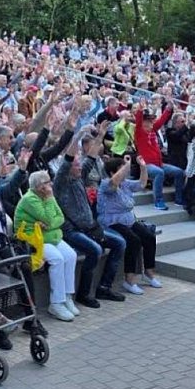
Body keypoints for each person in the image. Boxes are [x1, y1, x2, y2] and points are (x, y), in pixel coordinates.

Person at [54, 130, 127, 308]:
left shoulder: (79, 177)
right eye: (77, 165)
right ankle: (83, 294)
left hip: (90, 226)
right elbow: (68, 161)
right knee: (95, 250)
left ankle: (104, 287)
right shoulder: (61, 182)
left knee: (120, 243)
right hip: (71, 231)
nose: (80, 167)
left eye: (80, 165)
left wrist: (100, 136)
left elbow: (91, 157)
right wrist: (77, 137)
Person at [15, 170, 79, 321]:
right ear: (39, 187)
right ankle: (56, 303)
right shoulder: (31, 199)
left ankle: (67, 296)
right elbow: (50, 218)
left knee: (71, 255)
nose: (50, 185)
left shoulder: (47, 196)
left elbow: (60, 217)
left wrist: (49, 225)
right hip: (34, 239)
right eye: (47, 182)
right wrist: (50, 201)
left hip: (50, 235)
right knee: (57, 259)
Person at [98, 155, 161, 295]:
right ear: (112, 172)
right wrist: (127, 165)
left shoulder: (125, 183)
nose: (126, 171)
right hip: (111, 222)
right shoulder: (106, 184)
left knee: (149, 236)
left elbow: (142, 184)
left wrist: (143, 166)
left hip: (128, 220)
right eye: (122, 169)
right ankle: (129, 280)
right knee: (134, 241)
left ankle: (149, 273)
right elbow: (114, 182)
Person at [135, 102, 185, 210]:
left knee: (179, 172)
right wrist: (140, 110)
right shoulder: (139, 133)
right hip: (146, 165)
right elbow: (138, 122)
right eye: (147, 121)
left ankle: (179, 199)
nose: (150, 123)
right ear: (143, 123)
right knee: (159, 173)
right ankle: (158, 201)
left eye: (151, 121)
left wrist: (168, 108)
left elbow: (161, 120)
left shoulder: (153, 130)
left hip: (159, 163)